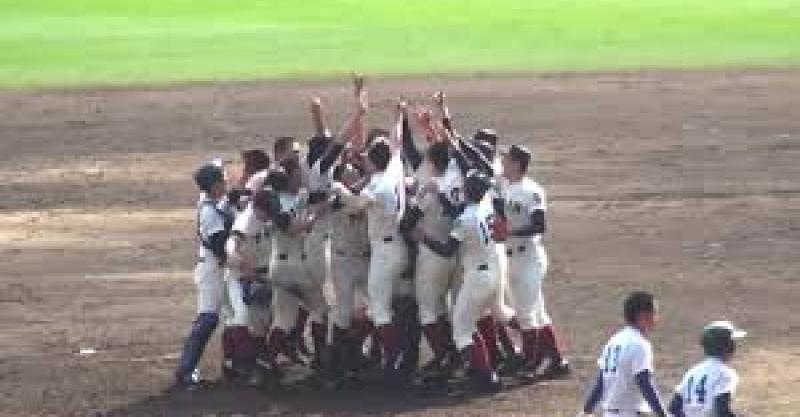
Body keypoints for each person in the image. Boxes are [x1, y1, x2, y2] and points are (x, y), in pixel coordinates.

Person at [410, 170, 502, 393]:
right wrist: (441, 194)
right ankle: (484, 371)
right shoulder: (485, 209)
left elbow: (447, 250)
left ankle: (485, 376)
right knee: (468, 325)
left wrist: (424, 238)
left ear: (467, 190)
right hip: (491, 273)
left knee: (461, 331)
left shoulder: (464, 219)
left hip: (476, 278)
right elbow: (455, 209)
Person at [499, 143, 569, 377]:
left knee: (527, 315)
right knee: (536, 312)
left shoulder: (532, 190)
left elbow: (540, 225)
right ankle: (557, 360)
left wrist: (511, 232)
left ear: (517, 164)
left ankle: (531, 364)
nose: (503, 163)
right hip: (512, 258)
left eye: (507, 160)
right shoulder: (506, 186)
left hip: (528, 257)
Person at [174, 163, 233, 389]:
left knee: (232, 315)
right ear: (214, 186)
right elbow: (219, 246)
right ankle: (185, 370)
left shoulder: (211, 201)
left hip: (215, 267)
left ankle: (234, 362)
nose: (226, 184)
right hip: (212, 269)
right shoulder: (209, 213)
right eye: (223, 181)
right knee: (208, 319)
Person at [580, 291, 668, 417]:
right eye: (654, 313)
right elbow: (644, 383)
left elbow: (601, 383)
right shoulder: (640, 344)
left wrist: (586, 410)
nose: (656, 318)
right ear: (642, 316)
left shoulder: (613, 341)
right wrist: (662, 414)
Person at [668, 321, 746, 417]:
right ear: (729, 347)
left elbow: (673, 407)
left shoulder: (692, 372)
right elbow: (722, 409)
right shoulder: (725, 374)